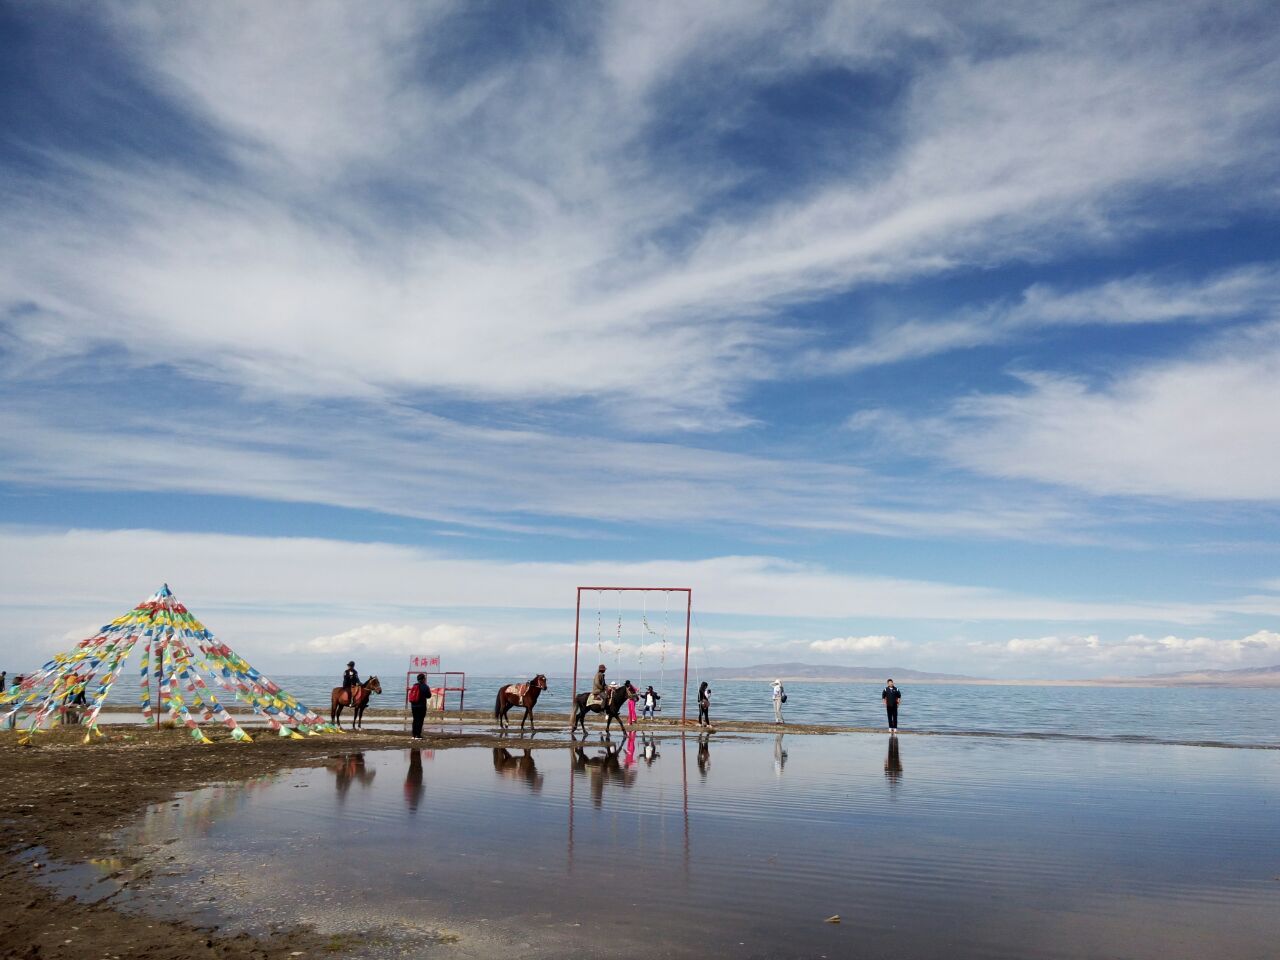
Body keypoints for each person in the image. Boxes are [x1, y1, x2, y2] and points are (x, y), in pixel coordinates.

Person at [409, 672, 431, 739]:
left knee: (415, 719)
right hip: (421, 706)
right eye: (425, 678)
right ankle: (418, 735)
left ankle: (413, 735)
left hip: (413, 706)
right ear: (423, 679)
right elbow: (429, 696)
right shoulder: (425, 686)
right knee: (420, 720)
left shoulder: (414, 686)